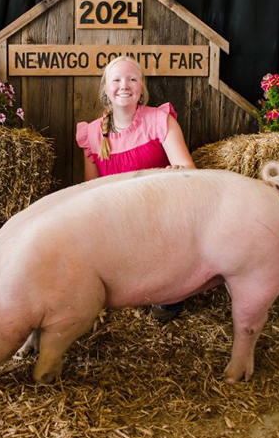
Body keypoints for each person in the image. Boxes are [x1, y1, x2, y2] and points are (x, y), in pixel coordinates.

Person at [76, 55, 196, 322]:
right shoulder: (92, 133)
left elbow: (189, 171)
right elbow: (90, 190)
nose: (124, 85)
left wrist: (175, 174)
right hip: (117, 218)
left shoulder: (160, 120)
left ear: (142, 87)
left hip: (158, 213)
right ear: (105, 89)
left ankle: (169, 292)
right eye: (116, 80)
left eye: (132, 79)